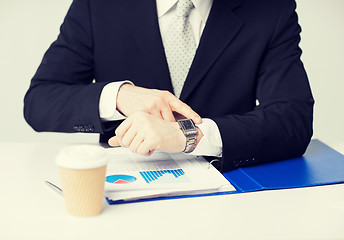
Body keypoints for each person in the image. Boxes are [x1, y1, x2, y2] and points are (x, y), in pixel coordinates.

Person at [24, 0, 314, 172]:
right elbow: (39, 101)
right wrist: (119, 95)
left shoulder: (270, 8)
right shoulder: (98, 5)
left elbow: (293, 118)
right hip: (125, 184)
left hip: (226, 188)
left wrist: (191, 135)